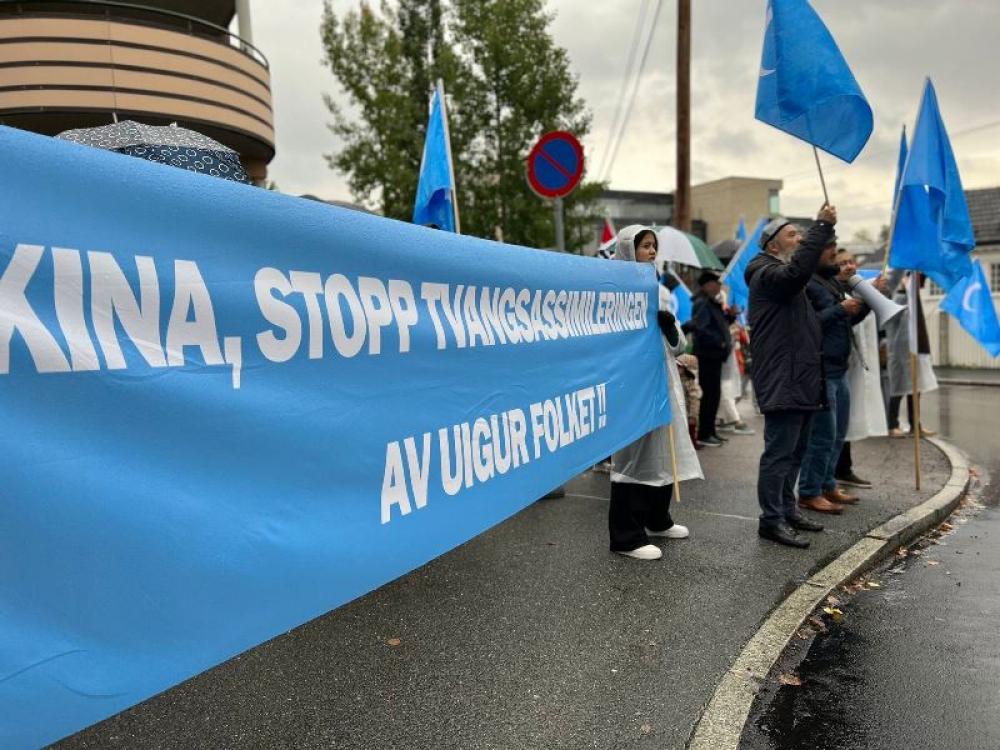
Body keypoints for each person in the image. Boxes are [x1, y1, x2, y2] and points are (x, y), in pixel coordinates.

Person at [609, 225, 703, 560]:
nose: (651, 251)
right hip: (633, 384)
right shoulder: (612, 292)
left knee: (666, 450)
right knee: (634, 457)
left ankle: (656, 518)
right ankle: (625, 535)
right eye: (644, 245)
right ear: (626, 249)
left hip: (662, 379)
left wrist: (670, 330)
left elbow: (679, 345)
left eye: (654, 246)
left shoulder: (660, 291)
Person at [745, 206, 837, 549]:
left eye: (801, 234)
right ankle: (771, 521)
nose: (799, 239)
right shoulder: (766, 274)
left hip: (801, 378)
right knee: (779, 453)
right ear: (772, 246)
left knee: (796, 452)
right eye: (792, 234)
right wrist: (822, 226)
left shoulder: (788, 279)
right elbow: (799, 272)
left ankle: (787, 509)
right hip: (783, 378)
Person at [797, 239, 873, 512]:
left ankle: (827, 484)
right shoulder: (809, 284)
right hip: (822, 370)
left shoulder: (829, 283)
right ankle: (809, 490)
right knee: (822, 435)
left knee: (838, 433)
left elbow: (844, 321)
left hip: (839, 369)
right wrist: (840, 309)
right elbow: (810, 324)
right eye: (828, 247)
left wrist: (864, 304)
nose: (833, 252)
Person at [834, 249, 887, 489]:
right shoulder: (832, 290)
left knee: (848, 417)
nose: (848, 266)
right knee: (836, 423)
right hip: (839, 363)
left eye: (850, 261)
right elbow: (846, 320)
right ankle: (833, 473)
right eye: (842, 263)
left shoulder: (858, 287)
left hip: (853, 363)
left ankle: (843, 469)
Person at [884, 271, 938, 438]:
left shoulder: (912, 298)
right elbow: (892, 321)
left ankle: (915, 425)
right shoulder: (899, 297)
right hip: (900, 350)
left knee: (916, 388)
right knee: (898, 388)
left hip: (914, 349)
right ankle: (892, 425)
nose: (920, 283)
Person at [691, 270, 733, 447]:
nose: (718, 286)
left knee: (714, 395)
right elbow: (701, 329)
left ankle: (711, 431)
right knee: (709, 395)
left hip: (715, 356)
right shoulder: (701, 303)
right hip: (707, 355)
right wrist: (720, 342)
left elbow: (718, 324)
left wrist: (730, 317)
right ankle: (704, 433)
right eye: (715, 283)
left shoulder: (712, 303)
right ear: (707, 285)